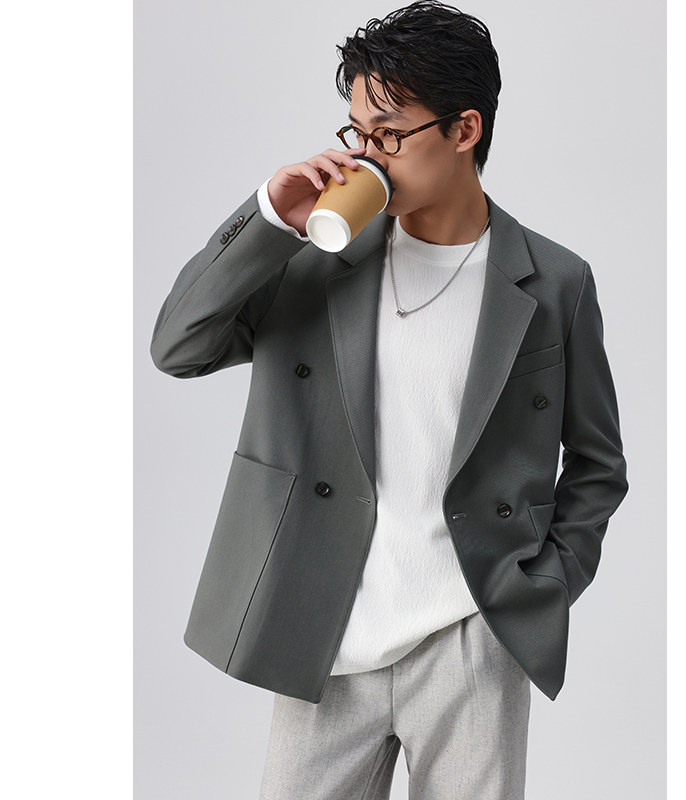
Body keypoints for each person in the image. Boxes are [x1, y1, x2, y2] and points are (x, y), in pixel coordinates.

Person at [150, 2, 628, 797]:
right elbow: (178, 347)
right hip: (325, 635)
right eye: (356, 132)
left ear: (464, 129)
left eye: (388, 134)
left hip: (472, 635)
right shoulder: (307, 263)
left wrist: (541, 585)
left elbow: (598, 462)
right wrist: (268, 216)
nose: (365, 156)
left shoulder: (554, 282)